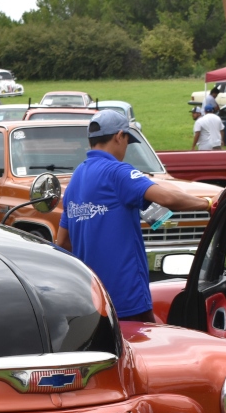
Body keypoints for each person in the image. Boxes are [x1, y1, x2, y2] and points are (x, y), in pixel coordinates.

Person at [57, 109, 217, 324]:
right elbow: (167, 198)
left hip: (91, 296)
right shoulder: (117, 172)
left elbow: (62, 242)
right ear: (119, 136)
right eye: (126, 141)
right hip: (125, 294)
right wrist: (207, 204)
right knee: (146, 347)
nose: (125, 148)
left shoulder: (75, 179)